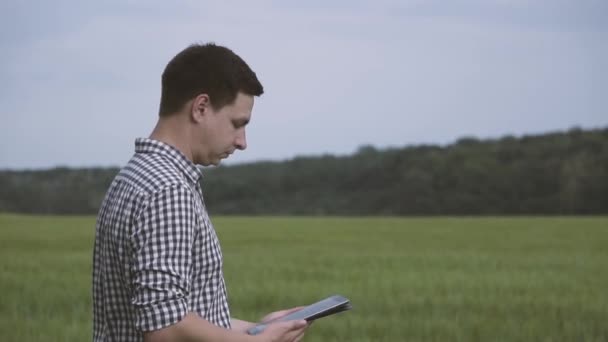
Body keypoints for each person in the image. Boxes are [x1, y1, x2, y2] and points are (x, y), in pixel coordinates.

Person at [92, 43, 309, 342]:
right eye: (237, 123)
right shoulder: (168, 190)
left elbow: (189, 315)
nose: (242, 141)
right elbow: (165, 328)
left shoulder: (133, 176)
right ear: (201, 108)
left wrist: (257, 330)